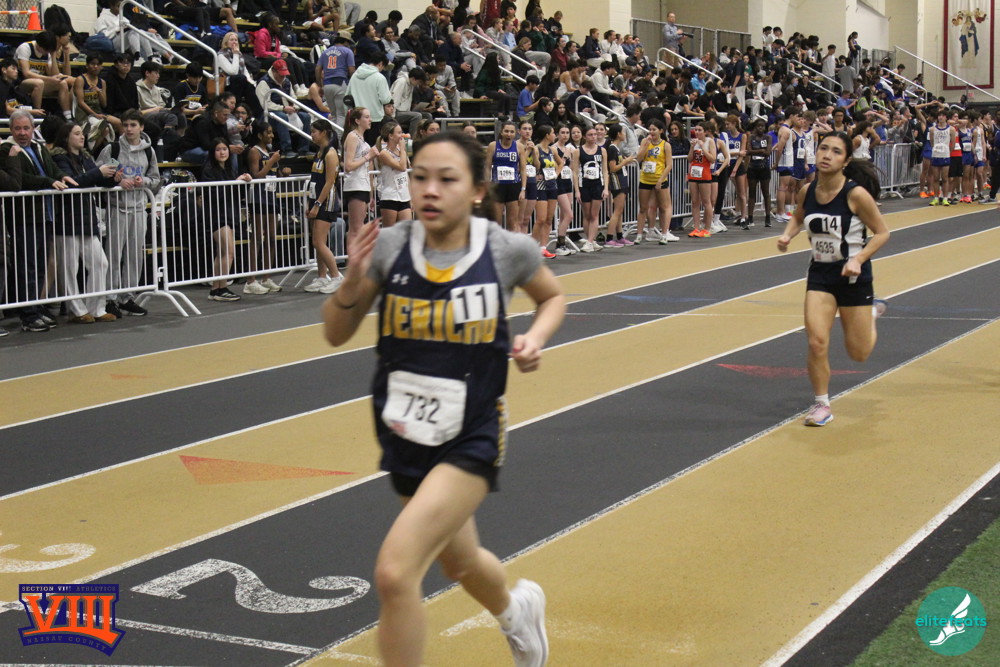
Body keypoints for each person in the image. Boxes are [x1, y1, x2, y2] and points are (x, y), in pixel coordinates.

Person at [321, 130, 565, 667]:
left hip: (471, 432)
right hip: (404, 431)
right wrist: (352, 281)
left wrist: (535, 338)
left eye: (446, 179)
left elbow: (551, 297)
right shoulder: (391, 246)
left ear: (477, 190)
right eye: (420, 178)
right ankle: (516, 611)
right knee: (460, 563)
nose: (429, 190)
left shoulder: (504, 250)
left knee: (395, 572)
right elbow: (336, 333)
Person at [776, 131, 889, 426]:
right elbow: (799, 217)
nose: (827, 155)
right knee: (816, 341)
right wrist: (787, 235)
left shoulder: (855, 194)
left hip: (853, 279)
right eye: (823, 148)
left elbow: (882, 233)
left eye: (836, 151)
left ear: (846, 161)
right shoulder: (807, 190)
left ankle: (871, 313)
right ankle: (821, 404)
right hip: (821, 275)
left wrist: (858, 259)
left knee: (859, 353)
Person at [2, 109, 76, 332]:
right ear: (11, 130)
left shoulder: (38, 147)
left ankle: (38, 306)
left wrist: (61, 176)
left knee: (41, 265)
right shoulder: (7, 149)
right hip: (24, 216)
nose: (22, 133)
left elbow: (51, 169)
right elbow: (20, 180)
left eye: (26, 128)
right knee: (28, 267)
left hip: (46, 214)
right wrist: (47, 182)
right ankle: (28, 314)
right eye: (17, 129)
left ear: (33, 129)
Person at [50, 122, 119, 324]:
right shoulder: (59, 158)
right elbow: (73, 181)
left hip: (87, 218)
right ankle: (77, 310)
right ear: (66, 137)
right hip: (67, 218)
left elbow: (97, 179)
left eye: (82, 133)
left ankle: (96, 307)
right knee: (69, 268)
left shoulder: (86, 157)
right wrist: (99, 173)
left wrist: (114, 178)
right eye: (77, 133)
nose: (82, 137)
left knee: (100, 262)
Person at [96, 109, 161, 318]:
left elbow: (156, 179)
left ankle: (127, 296)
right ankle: (110, 298)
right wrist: (116, 179)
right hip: (117, 208)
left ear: (141, 127)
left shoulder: (149, 152)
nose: (129, 129)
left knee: (135, 255)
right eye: (125, 125)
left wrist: (144, 182)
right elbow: (98, 173)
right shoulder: (113, 149)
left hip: (139, 208)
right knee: (114, 254)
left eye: (133, 125)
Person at [242, 119, 288, 295]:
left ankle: (266, 277)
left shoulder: (269, 151)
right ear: (260, 134)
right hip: (258, 197)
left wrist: (282, 172)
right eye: (268, 132)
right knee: (257, 238)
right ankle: (250, 280)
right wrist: (271, 162)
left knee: (271, 237)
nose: (271, 135)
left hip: (271, 196)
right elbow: (256, 175)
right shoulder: (254, 151)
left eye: (272, 132)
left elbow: (272, 174)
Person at [199, 138, 248, 302]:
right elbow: (213, 194)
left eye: (225, 149)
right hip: (216, 215)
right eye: (218, 149)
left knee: (222, 253)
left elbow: (237, 193)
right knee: (228, 252)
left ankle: (216, 288)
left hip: (229, 214)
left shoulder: (229, 169)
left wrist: (244, 181)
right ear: (213, 152)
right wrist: (234, 183)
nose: (222, 152)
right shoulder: (209, 169)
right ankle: (222, 288)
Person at [303, 118, 345, 294]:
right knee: (318, 241)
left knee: (318, 242)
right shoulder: (319, 152)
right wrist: (311, 202)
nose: (312, 135)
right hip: (316, 198)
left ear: (324, 132)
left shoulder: (330, 153)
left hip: (326, 201)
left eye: (314, 131)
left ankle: (336, 276)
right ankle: (322, 276)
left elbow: (329, 182)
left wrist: (317, 204)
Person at [342, 107, 381, 242]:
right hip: (355, 185)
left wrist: (370, 194)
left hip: (363, 185)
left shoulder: (362, 138)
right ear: (357, 121)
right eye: (367, 117)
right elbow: (348, 166)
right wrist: (368, 156)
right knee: (356, 229)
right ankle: (352, 255)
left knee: (360, 228)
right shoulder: (352, 137)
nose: (370, 120)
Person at [635, 120, 673, 244]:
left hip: (659, 179)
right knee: (643, 208)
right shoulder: (644, 142)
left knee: (663, 207)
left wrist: (660, 180)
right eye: (650, 129)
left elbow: (669, 165)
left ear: (660, 131)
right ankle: (639, 235)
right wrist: (645, 146)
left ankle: (664, 234)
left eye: (654, 129)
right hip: (645, 179)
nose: (651, 132)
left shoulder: (665, 145)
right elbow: (639, 159)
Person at [572, 125, 608, 252]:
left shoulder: (602, 151)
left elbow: (605, 170)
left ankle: (590, 241)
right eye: (590, 135)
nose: (594, 137)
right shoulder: (578, 151)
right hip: (584, 185)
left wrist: (606, 188)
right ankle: (590, 240)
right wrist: (577, 190)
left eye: (595, 134)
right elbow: (575, 172)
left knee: (594, 214)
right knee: (586, 214)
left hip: (598, 185)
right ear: (584, 136)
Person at [484, 120, 525, 231]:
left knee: (513, 222)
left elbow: (523, 169)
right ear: (501, 132)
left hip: (513, 186)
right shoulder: (493, 146)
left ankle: (512, 242)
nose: (509, 134)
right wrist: (487, 186)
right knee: (496, 221)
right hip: (497, 186)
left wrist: (523, 189)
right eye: (506, 131)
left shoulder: (519, 147)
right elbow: (487, 167)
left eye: (511, 132)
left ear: (515, 133)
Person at [604, 123, 635, 247]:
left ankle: (620, 236)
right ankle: (609, 238)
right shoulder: (612, 148)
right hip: (617, 180)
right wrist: (625, 161)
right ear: (618, 134)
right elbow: (612, 168)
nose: (625, 134)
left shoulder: (616, 148)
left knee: (619, 210)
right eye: (623, 131)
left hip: (622, 179)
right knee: (617, 210)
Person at [317, 35, 356, 135]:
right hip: (340, 83)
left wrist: (320, 85)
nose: (348, 45)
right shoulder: (347, 51)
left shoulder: (325, 52)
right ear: (345, 41)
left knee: (333, 115)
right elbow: (352, 70)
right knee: (341, 115)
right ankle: (338, 139)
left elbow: (318, 69)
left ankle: (332, 138)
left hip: (327, 85)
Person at [377, 120, 412, 227]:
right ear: (391, 136)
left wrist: (411, 196)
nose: (402, 135)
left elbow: (406, 173)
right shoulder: (384, 153)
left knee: (407, 230)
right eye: (399, 132)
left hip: (404, 196)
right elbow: (402, 167)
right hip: (390, 196)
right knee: (390, 231)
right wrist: (403, 149)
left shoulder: (401, 152)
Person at [687, 121, 716, 237]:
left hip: (704, 174)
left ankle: (707, 228)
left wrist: (703, 147)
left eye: (700, 130)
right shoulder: (694, 142)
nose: (697, 132)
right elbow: (689, 159)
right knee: (695, 201)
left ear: (705, 132)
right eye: (696, 130)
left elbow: (712, 159)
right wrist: (692, 147)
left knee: (706, 201)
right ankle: (696, 227)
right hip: (694, 173)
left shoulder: (710, 142)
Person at [745, 118, 773, 229]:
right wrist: (761, 151)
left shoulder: (768, 137)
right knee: (751, 193)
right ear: (755, 127)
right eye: (758, 126)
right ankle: (750, 217)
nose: (760, 128)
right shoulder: (751, 137)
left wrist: (757, 152)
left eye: (762, 126)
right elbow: (748, 151)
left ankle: (768, 217)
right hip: (753, 167)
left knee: (766, 192)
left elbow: (768, 152)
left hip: (764, 167)